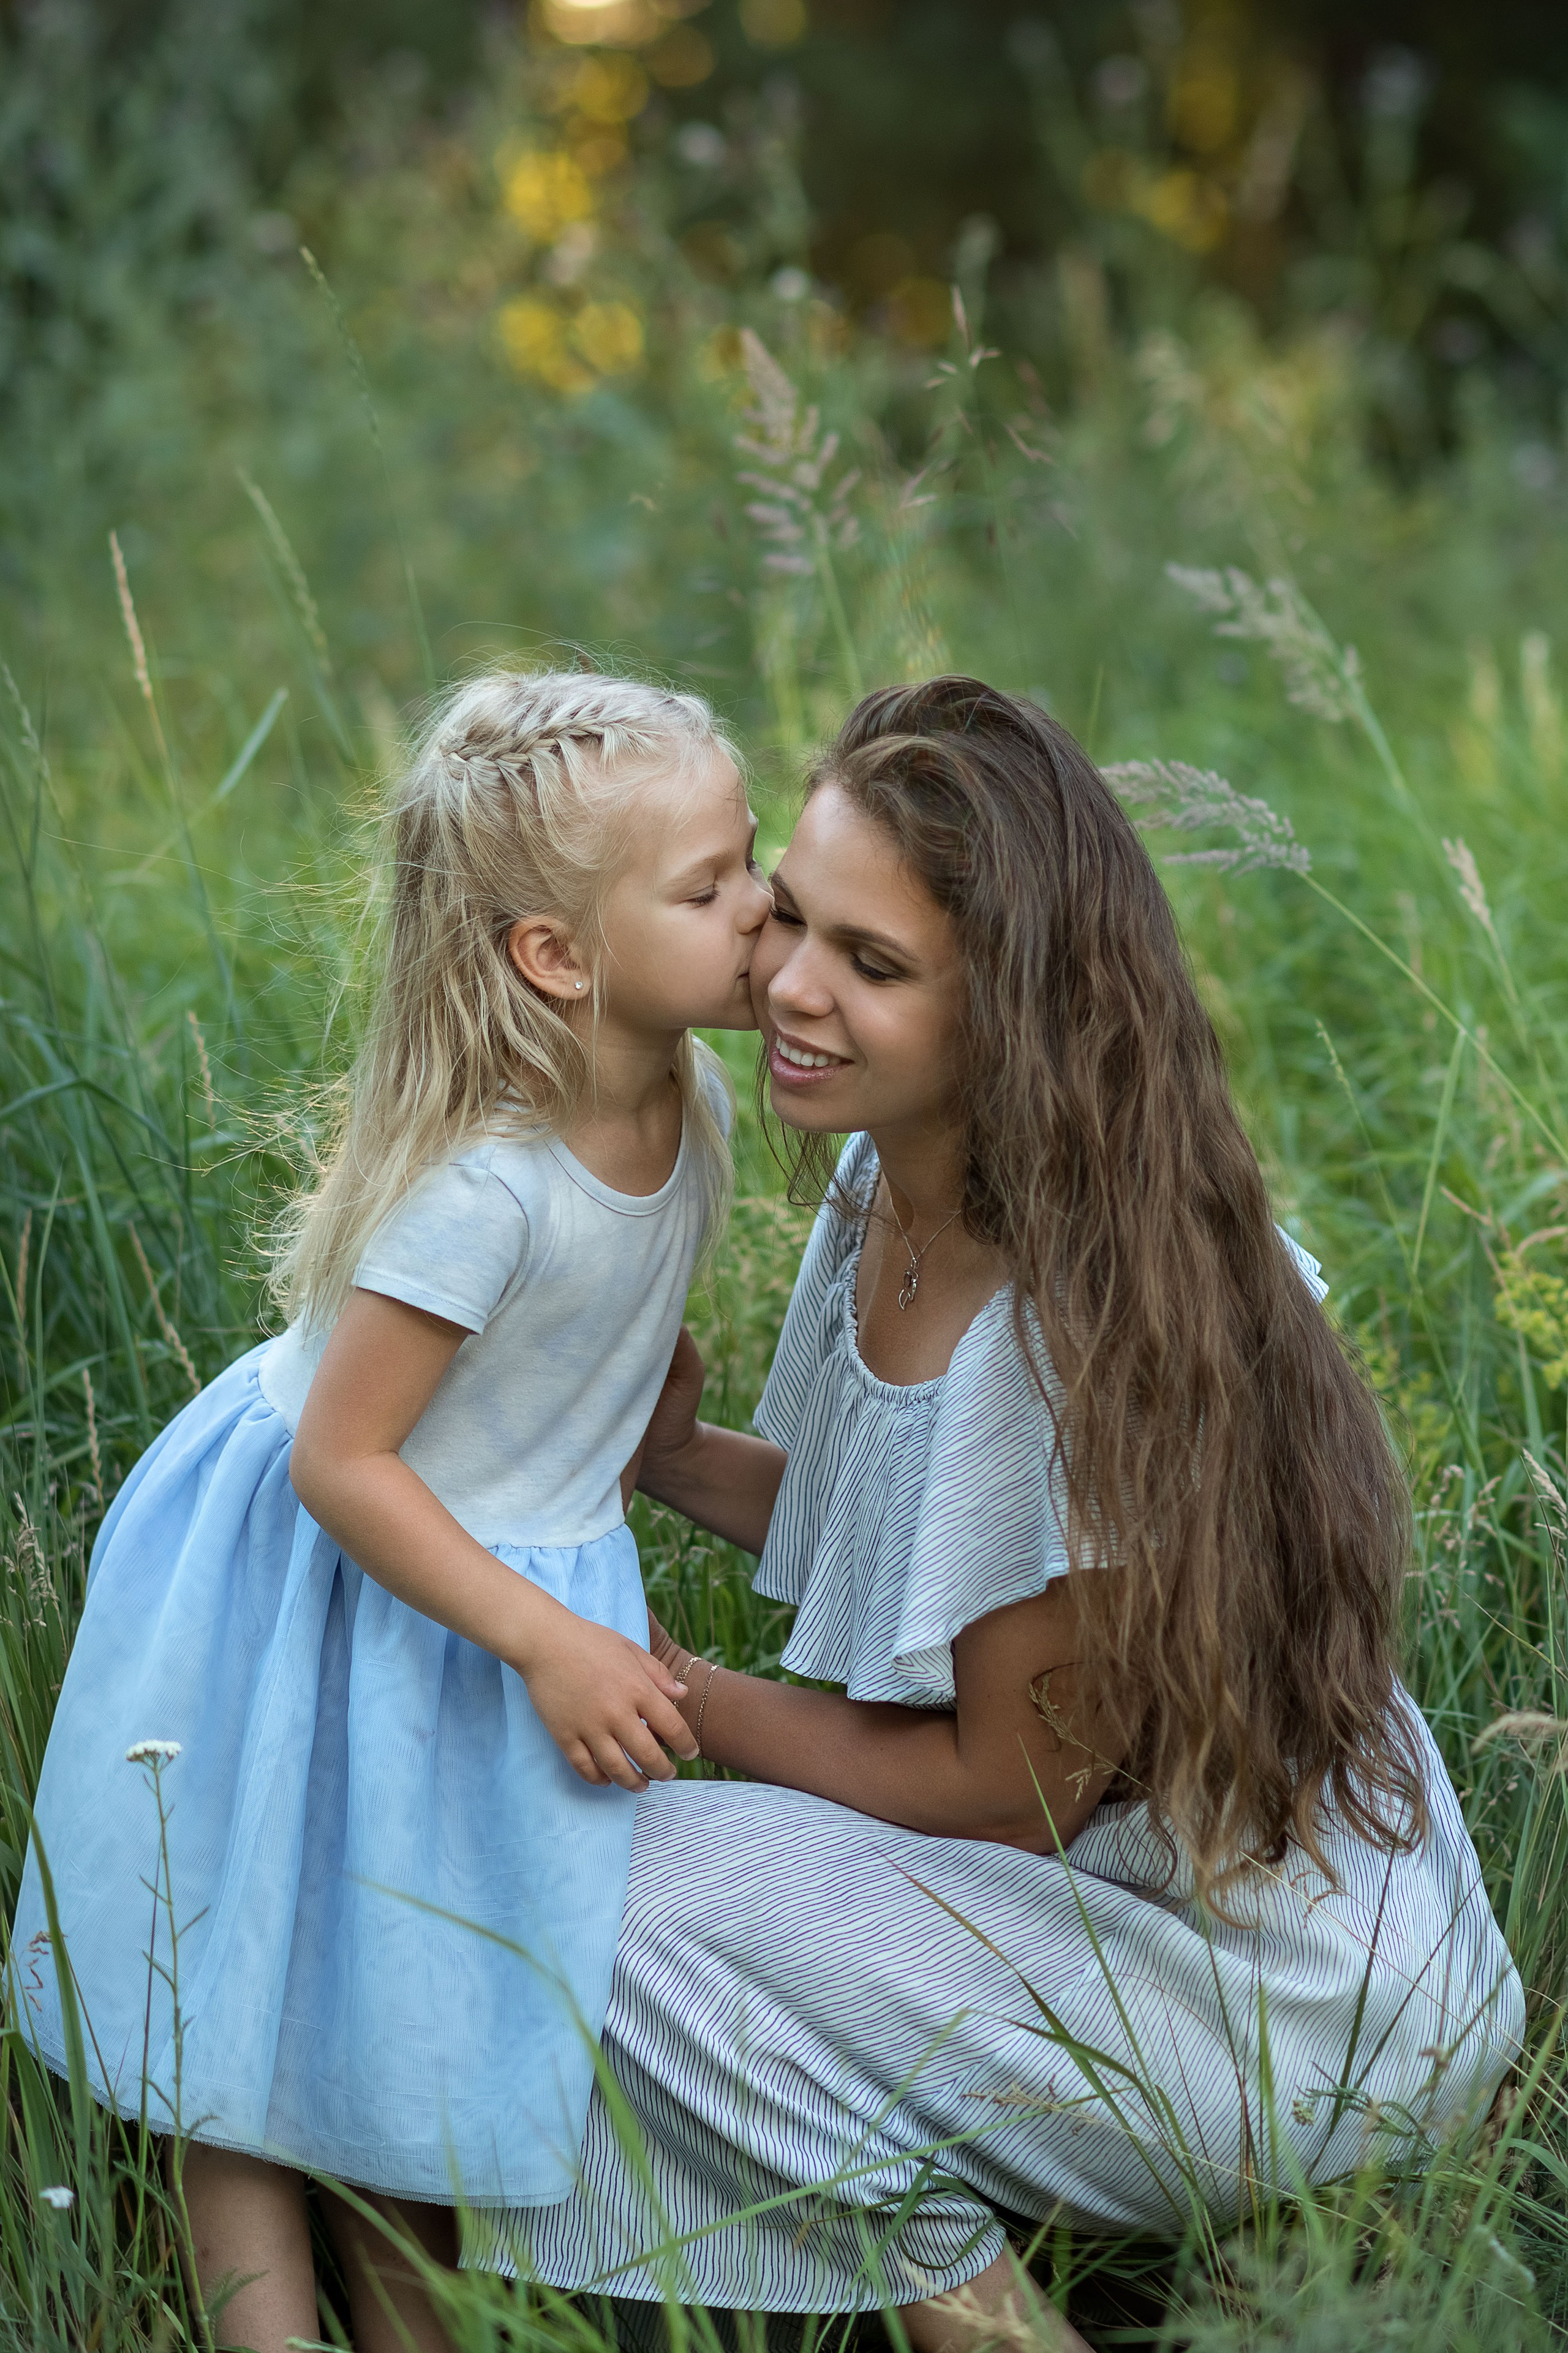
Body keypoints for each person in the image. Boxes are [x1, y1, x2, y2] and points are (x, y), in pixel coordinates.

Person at [484, 678, 1523, 2353]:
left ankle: (991, 2320)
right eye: (793, 918)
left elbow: (1000, 1785)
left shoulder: (1073, 1332)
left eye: (874, 966)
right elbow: (902, 1540)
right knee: (572, 1842)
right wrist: (672, 1456)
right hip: (1118, 1903)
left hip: (1280, 2001)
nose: (790, 988)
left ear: (1018, 1014)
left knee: (629, 1892)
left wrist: (683, 1691)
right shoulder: (885, 1174)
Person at [12, 670, 773, 2353]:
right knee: (251, 1990)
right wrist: (555, 1638)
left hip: (489, 1585)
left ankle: (414, 2320)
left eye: (750, 857)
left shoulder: (686, 1101)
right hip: (322, 1576)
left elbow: (603, 1357)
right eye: (708, 881)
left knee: (408, 1998)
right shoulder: (488, 1184)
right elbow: (343, 1460)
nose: (764, 900)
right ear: (557, 955)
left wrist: (623, 1454)